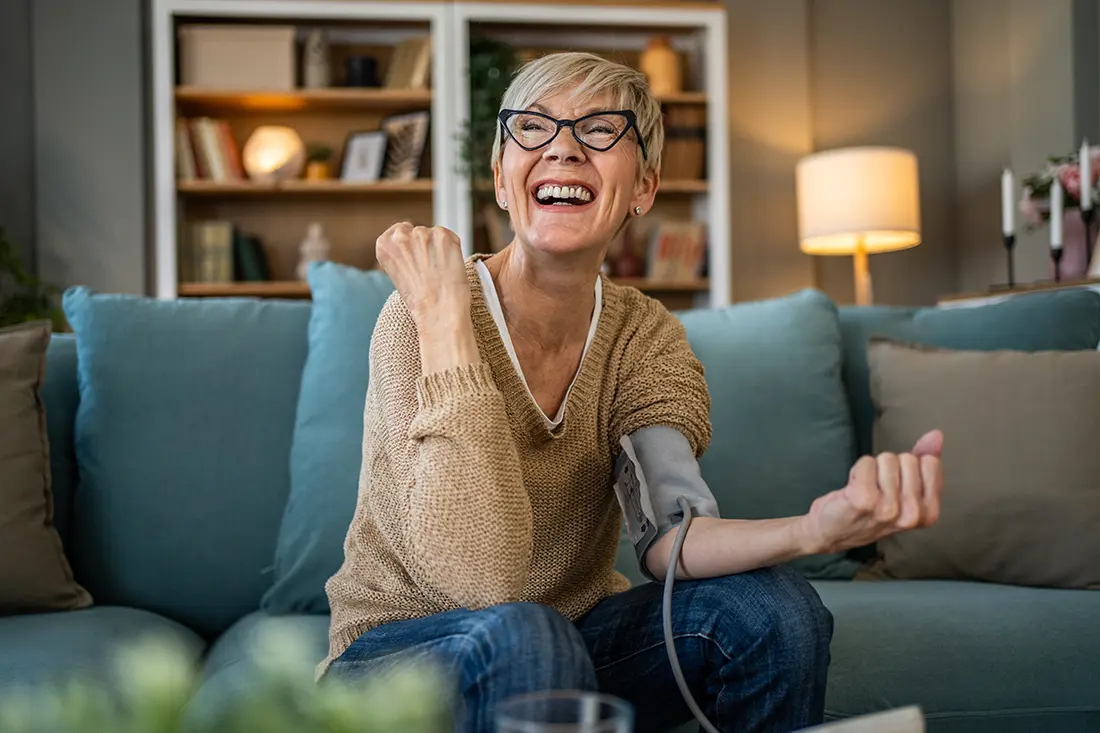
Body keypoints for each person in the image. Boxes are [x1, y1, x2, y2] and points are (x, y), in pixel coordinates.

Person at [319, 51, 944, 733]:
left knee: (776, 611)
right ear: (501, 178)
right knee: (528, 634)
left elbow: (669, 536)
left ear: (644, 186)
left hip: (565, 638)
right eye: (534, 128)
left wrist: (814, 528)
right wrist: (445, 322)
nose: (562, 148)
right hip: (396, 655)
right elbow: (481, 582)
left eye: (599, 130)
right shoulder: (420, 313)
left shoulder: (644, 337)